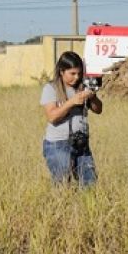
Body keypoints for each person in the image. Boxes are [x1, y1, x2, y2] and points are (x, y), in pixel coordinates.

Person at [40, 51, 102, 186]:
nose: (77, 77)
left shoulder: (83, 86)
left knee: (90, 184)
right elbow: (52, 117)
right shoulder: (51, 88)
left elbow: (99, 110)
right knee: (62, 185)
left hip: (81, 143)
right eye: (72, 74)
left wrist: (92, 97)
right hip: (58, 144)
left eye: (79, 73)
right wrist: (72, 102)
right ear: (62, 71)